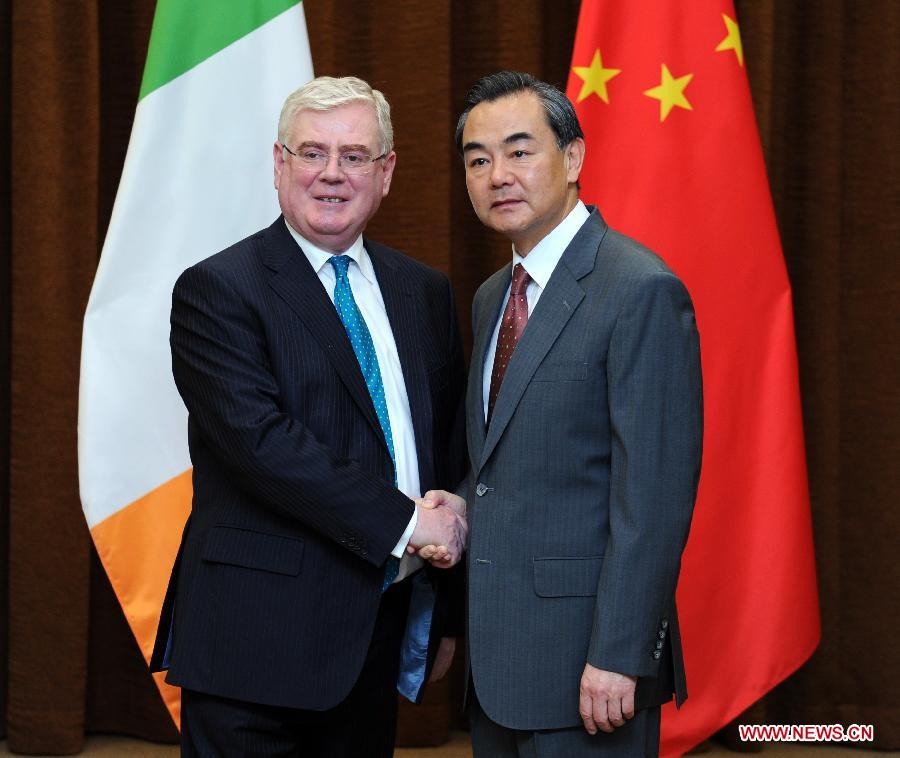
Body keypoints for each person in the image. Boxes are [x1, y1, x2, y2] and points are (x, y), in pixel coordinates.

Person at [149, 76, 468, 757]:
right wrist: (412, 523)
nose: (331, 174)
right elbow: (262, 445)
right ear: (278, 164)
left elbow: (446, 452)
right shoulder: (218, 290)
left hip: (376, 633)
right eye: (311, 152)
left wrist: (448, 609)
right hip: (255, 644)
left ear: (385, 174)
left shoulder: (425, 292)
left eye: (354, 156)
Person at [422, 71, 703, 756]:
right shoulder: (494, 295)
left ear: (573, 158)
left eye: (520, 151)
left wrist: (621, 652)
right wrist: (460, 505)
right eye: (478, 159)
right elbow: (511, 463)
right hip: (500, 660)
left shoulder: (640, 289)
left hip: (591, 670)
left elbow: (655, 496)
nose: (498, 175)